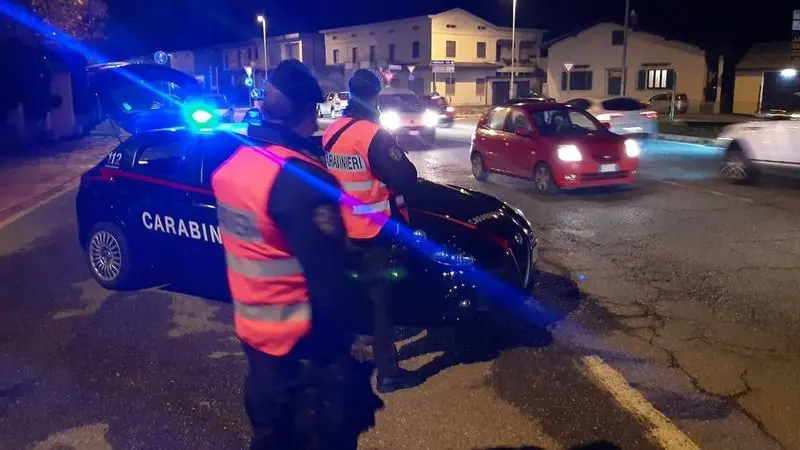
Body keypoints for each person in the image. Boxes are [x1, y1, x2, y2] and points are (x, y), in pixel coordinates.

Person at [211, 59, 381, 450]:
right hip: (305, 360)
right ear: (310, 111)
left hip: (257, 346)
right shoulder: (301, 181)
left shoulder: (234, 168)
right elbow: (330, 283)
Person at [321, 69, 420, 394]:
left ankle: (349, 359)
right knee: (381, 304)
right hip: (373, 232)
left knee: (352, 296)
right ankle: (388, 374)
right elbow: (405, 178)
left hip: (341, 231)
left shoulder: (332, 131)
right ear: (377, 94)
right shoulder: (373, 134)